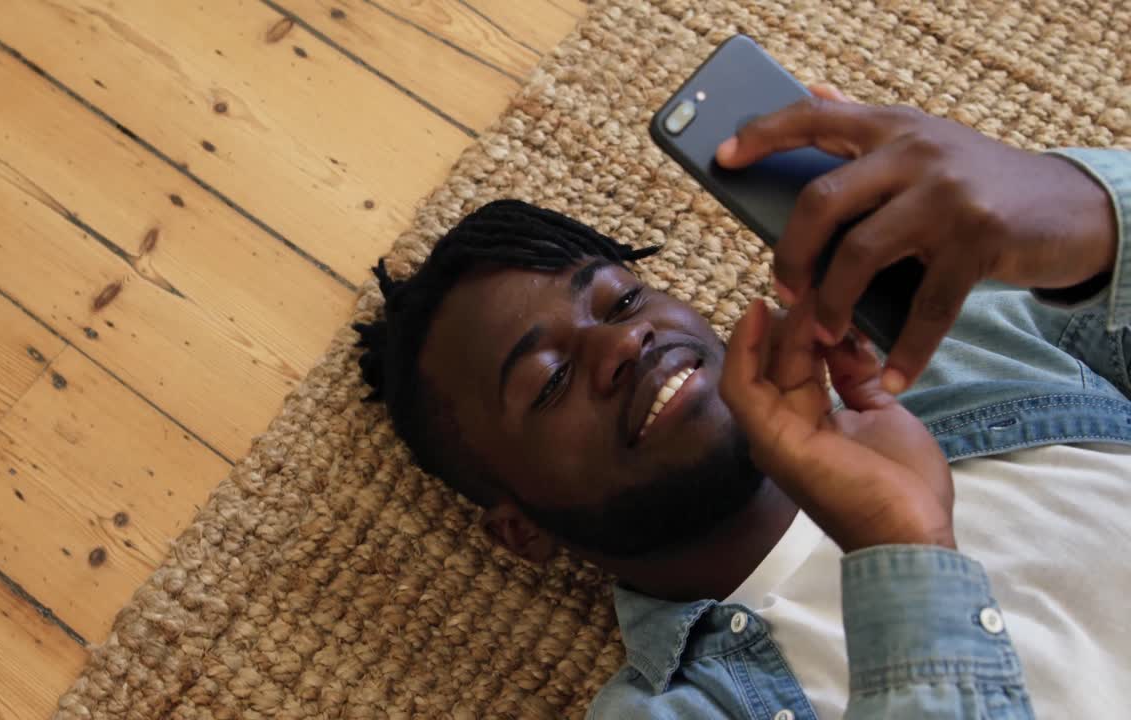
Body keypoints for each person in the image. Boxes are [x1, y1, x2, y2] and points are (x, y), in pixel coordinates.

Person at [353, 85, 1131, 719]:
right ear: (520, 530)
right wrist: (905, 551)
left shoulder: (964, 335)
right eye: (549, 383)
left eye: (622, 301)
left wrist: (1094, 216)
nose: (623, 344)